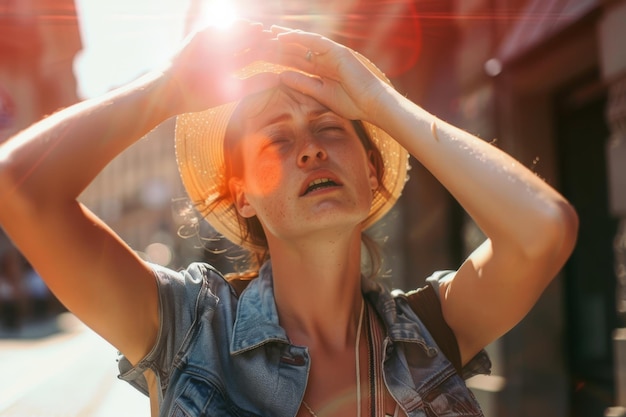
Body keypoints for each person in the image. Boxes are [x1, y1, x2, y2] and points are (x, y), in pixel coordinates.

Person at [0, 21, 577, 417]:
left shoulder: (430, 332)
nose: (311, 149)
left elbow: (544, 229)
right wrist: (170, 88)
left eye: (331, 129)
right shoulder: (184, 326)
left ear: (371, 174)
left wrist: (379, 102)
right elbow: (19, 188)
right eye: (277, 138)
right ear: (242, 194)